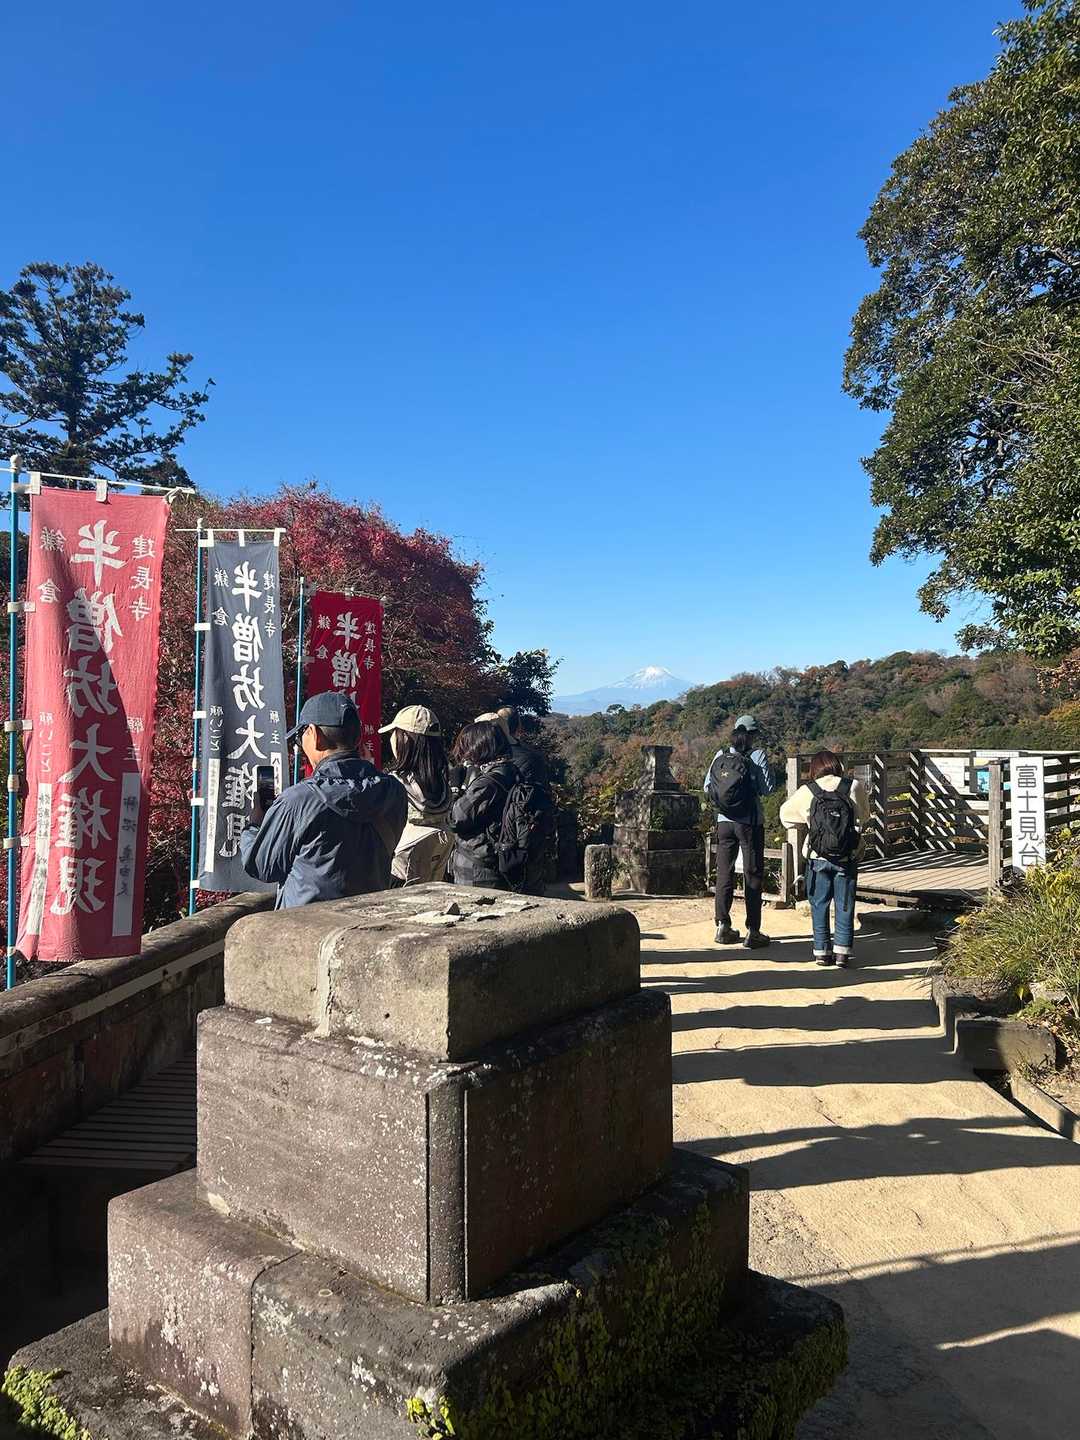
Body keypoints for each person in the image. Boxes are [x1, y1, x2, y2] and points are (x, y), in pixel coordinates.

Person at [240, 691, 406, 909]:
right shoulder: (393, 791)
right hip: (367, 920)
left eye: (300, 736)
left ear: (314, 733)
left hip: (307, 924)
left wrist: (254, 824)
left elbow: (262, 867)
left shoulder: (298, 801)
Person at [780, 749, 869, 967]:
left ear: (814, 769)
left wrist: (808, 822)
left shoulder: (807, 790)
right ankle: (842, 953)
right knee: (844, 904)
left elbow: (785, 816)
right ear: (837, 766)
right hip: (846, 856)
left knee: (819, 903)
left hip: (817, 856)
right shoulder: (853, 786)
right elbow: (864, 815)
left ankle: (821, 951)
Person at [703, 714, 776, 949]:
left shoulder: (720, 754)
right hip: (749, 822)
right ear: (752, 735)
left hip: (723, 822)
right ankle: (753, 931)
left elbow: (707, 786)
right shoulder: (757, 755)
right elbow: (768, 789)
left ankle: (722, 926)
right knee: (752, 873)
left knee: (724, 872)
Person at [379, 704, 454, 884]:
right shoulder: (444, 785)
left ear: (404, 738)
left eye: (395, 733)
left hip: (396, 877)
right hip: (432, 879)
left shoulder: (393, 785)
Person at [448, 720, 518, 888]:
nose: (463, 756)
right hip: (498, 862)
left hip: (478, 870)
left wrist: (455, 788)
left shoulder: (488, 783)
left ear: (478, 747)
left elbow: (455, 819)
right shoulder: (510, 771)